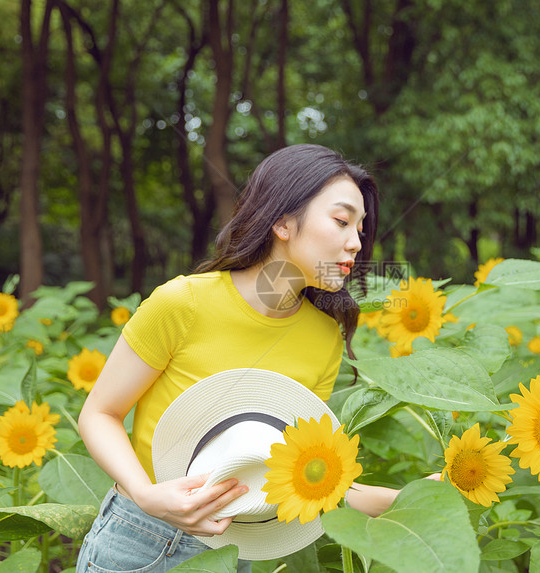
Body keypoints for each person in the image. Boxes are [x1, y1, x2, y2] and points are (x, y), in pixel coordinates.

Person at [76, 144, 402, 573]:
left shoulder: (324, 337)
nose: (356, 242)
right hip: (141, 541)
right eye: (342, 221)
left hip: (236, 550)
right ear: (283, 222)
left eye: (360, 228)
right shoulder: (183, 303)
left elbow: (300, 475)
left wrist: (407, 501)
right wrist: (146, 494)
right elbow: (99, 413)